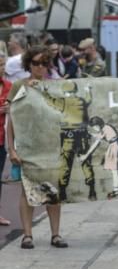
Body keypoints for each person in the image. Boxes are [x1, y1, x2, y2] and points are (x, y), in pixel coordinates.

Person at [6, 45, 68, 249]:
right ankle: (27, 235)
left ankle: (56, 234)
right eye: (35, 63)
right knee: (27, 190)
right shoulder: (18, 86)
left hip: (51, 145)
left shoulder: (54, 86)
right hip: (27, 146)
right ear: (28, 64)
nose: (40, 67)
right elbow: (12, 119)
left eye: (44, 63)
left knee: (53, 192)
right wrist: (12, 149)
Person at [80, 116, 118, 198]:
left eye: (95, 127)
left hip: (114, 148)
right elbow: (99, 136)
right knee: (114, 171)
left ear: (99, 124)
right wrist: (92, 133)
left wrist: (86, 155)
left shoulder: (106, 129)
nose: (94, 128)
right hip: (114, 147)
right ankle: (116, 190)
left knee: (114, 171)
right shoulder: (106, 127)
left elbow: (96, 143)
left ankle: (116, 191)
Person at [0, 52, 12, 225]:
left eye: (2, 65)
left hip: (2, 139)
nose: (1, 69)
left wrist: (12, 107)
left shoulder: (9, 85)